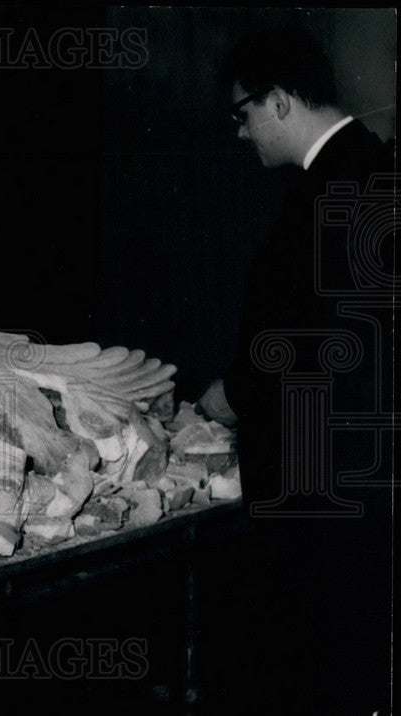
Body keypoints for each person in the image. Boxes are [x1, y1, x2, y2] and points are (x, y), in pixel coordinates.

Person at [198, 28, 394, 713]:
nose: (240, 133)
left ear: (278, 101)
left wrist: (235, 391)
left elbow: (321, 343)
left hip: (326, 496)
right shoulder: (366, 167)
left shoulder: (336, 187)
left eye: (242, 113)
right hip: (357, 487)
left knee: (321, 671)